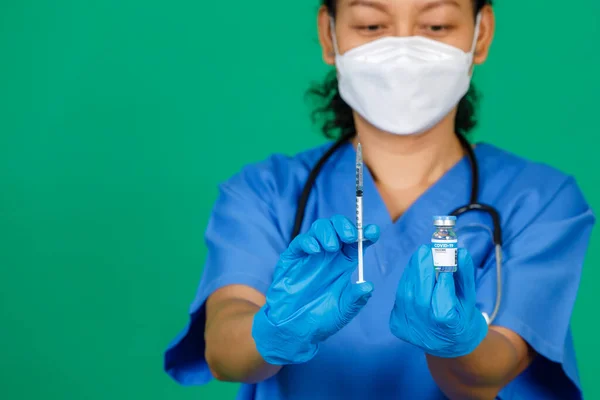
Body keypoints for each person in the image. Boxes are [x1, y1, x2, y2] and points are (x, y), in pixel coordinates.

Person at [163, 0, 595, 398]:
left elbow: (484, 377)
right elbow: (224, 349)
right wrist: (272, 332)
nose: (403, 52)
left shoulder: (539, 199)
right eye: (372, 24)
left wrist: (454, 344)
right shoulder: (266, 191)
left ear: (480, 33)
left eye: (436, 24)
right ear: (329, 33)